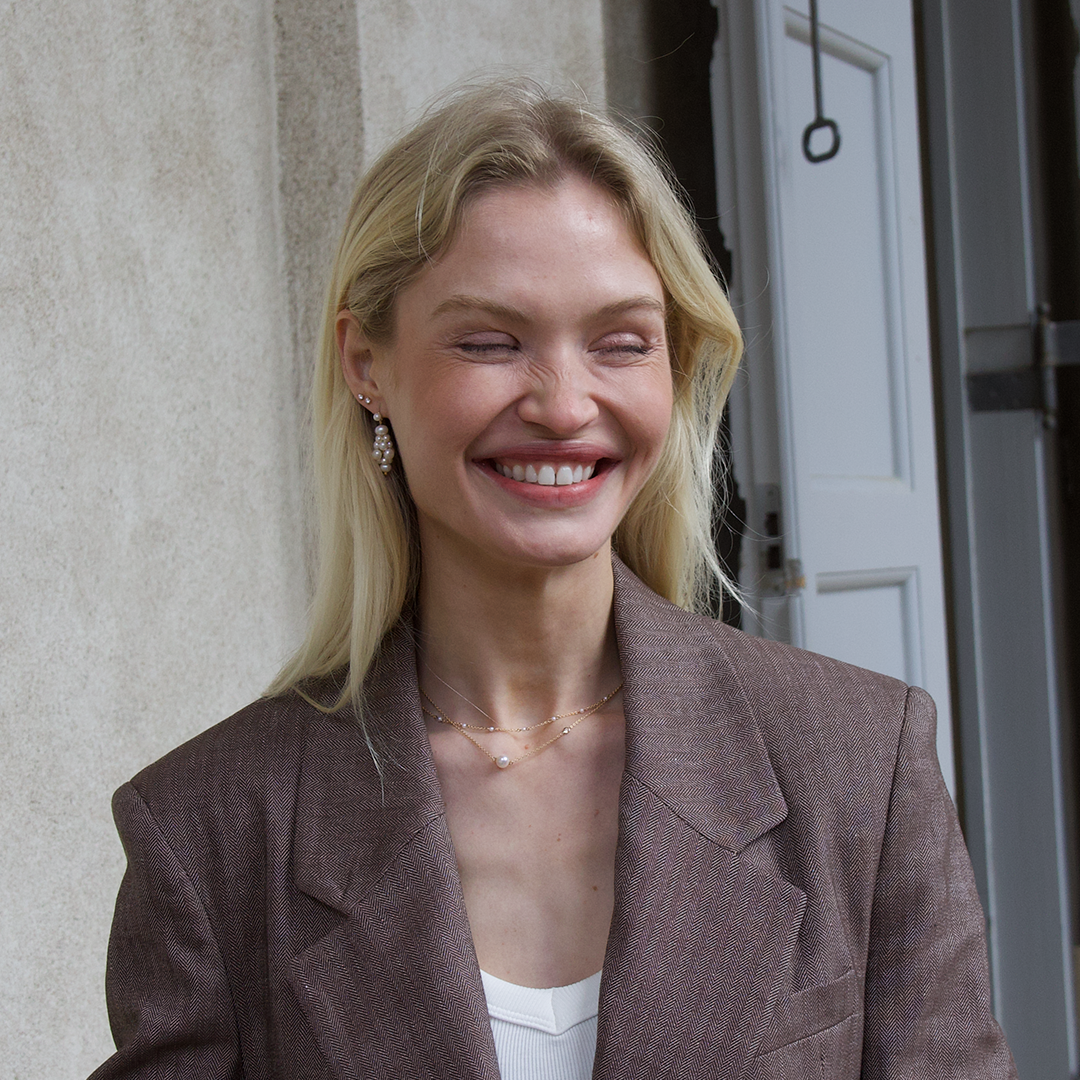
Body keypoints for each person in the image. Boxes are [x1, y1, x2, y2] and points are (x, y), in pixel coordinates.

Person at [89, 81, 1016, 1080]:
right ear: (367, 363)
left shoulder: (860, 766)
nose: (565, 405)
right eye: (490, 342)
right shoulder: (210, 830)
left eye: (621, 343)